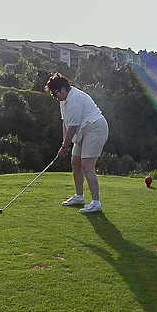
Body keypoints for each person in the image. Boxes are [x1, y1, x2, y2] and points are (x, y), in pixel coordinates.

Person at [45, 73, 109, 214]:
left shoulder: (74, 99)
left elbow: (72, 128)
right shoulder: (63, 101)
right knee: (75, 162)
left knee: (87, 166)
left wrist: (64, 147)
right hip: (82, 130)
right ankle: (79, 197)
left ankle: (96, 203)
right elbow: (66, 124)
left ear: (63, 89)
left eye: (55, 94)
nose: (55, 98)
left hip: (95, 128)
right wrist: (64, 144)